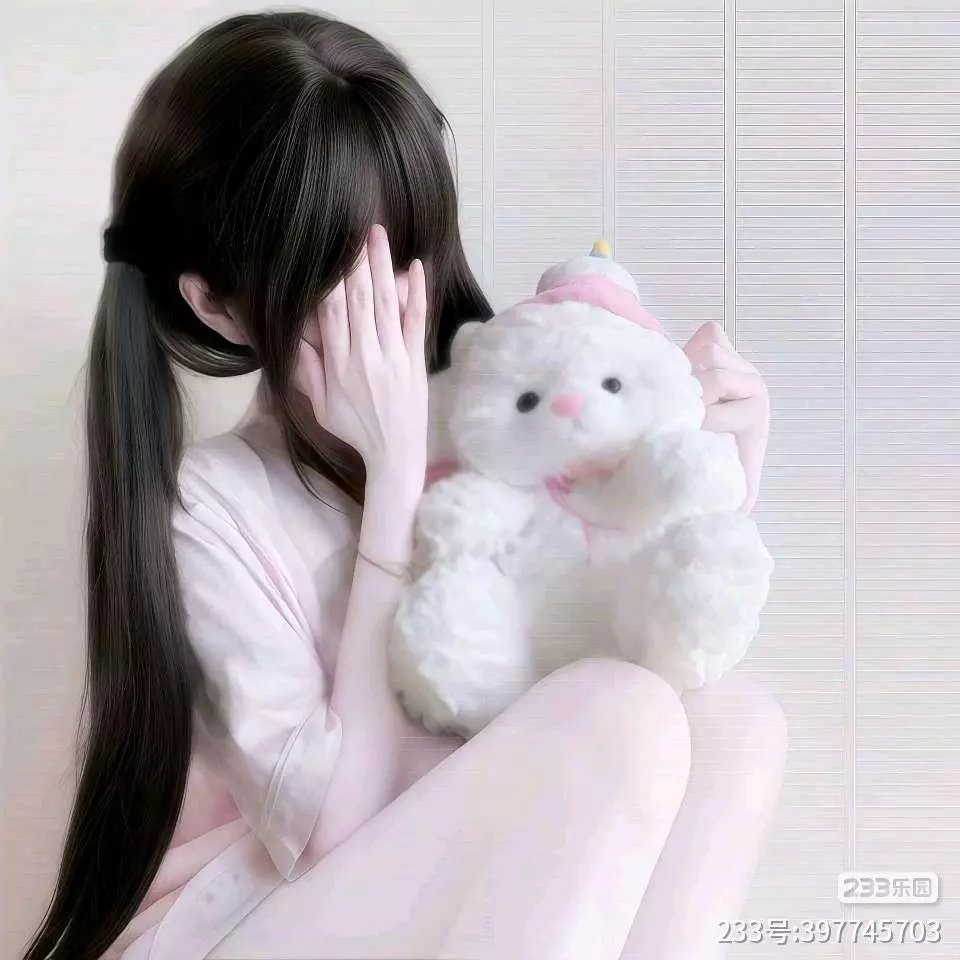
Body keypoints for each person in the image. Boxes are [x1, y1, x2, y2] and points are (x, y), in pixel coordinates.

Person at [23, 11, 786, 960]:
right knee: (615, 714)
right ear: (217, 304)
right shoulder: (210, 508)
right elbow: (330, 832)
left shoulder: (503, 440)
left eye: (401, 260)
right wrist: (390, 488)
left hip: (460, 911)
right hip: (250, 920)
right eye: (334, 281)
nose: (380, 315)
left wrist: (717, 474)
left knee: (731, 721)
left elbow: (615, 662)